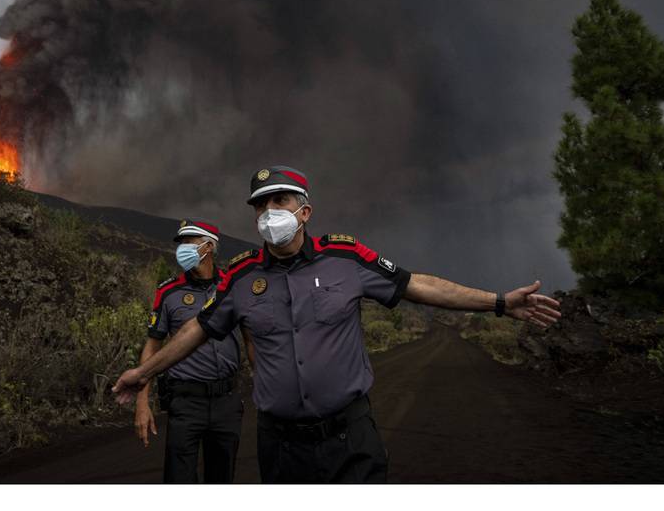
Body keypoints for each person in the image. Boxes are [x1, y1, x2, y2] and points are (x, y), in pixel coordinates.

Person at [114, 167, 562, 483]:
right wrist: (143, 374)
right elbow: (198, 329)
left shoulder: (346, 258)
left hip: (350, 438)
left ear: (305, 211)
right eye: (261, 205)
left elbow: (415, 285)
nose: (269, 212)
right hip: (281, 445)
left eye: (280, 201)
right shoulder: (241, 275)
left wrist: (499, 302)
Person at [135, 218, 250, 483]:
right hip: (186, 402)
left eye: (189, 242)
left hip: (227, 401)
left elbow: (250, 338)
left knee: (221, 479)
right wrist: (142, 404)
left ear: (208, 247)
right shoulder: (168, 292)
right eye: (181, 243)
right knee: (179, 480)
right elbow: (152, 346)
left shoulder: (234, 288)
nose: (182, 248)